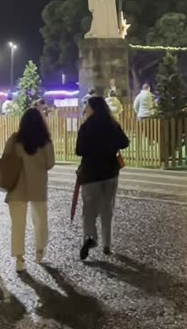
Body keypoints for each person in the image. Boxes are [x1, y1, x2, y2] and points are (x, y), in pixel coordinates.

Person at [76, 95, 130, 259]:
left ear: (92, 108)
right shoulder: (112, 124)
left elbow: (79, 150)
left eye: (87, 107)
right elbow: (125, 143)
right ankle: (107, 244)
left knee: (89, 210)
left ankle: (90, 237)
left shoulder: (86, 127)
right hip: (110, 172)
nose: (86, 110)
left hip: (91, 174)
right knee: (107, 209)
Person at [3, 108, 56, 272]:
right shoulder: (45, 141)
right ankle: (39, 251)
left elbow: (5, 159)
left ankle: (19, 259)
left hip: (16, 186)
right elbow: (50, 164)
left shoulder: (14, 139)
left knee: (18, 224)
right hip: (38, 185)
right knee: (40, 220)